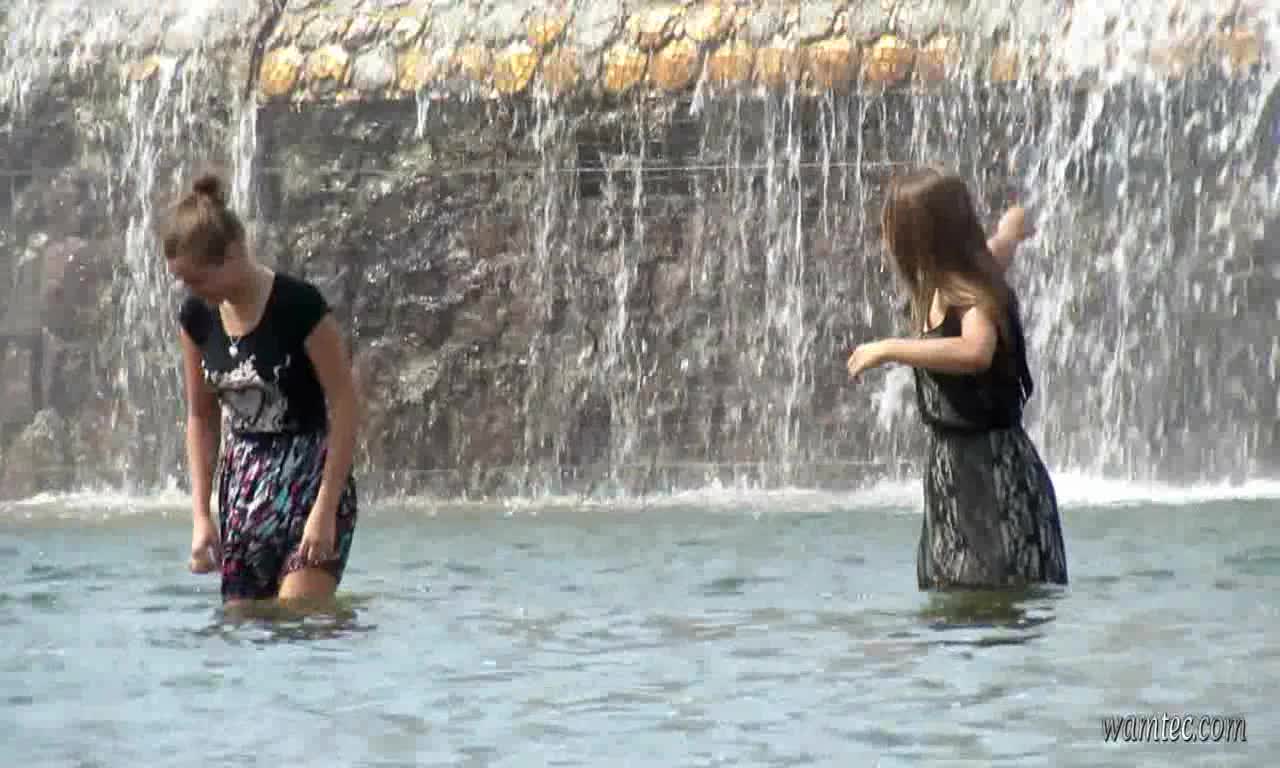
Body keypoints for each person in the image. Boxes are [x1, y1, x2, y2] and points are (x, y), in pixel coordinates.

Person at [846, 169, 1068, 589]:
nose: (884, 236)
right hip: (960, 471)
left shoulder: (964, 292)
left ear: (918, 237)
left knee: (983, 593)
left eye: (890, 226)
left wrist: (888, 349)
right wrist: (1012, 228)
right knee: (965, 596)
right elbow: (1000, 248)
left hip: (987, 475)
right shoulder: (970, 273)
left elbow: (975, 351)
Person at [163, 172, 360, 606]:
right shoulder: (197, 317)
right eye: (184, 282)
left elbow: (345, 405)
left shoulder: (299, 306)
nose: (192, 291)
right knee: (241, 628)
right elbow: (200, 417)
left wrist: (325, 511)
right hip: (244, 492)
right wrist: (201, 516)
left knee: (298, 616)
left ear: (233, 253)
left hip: (311, 482)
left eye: (198, 279)